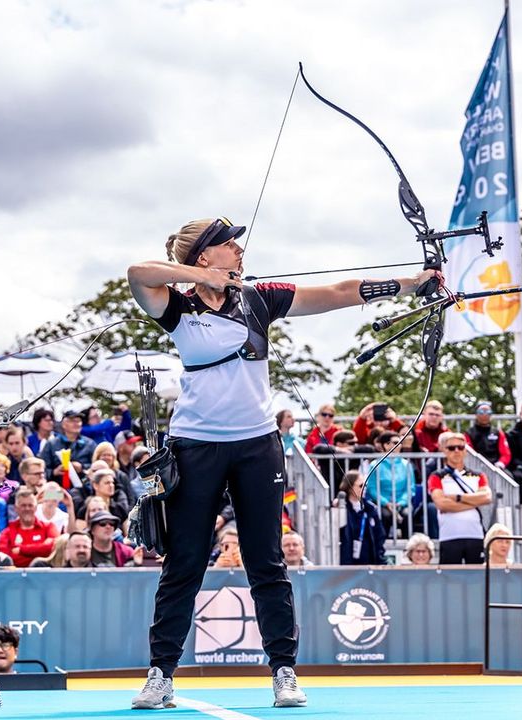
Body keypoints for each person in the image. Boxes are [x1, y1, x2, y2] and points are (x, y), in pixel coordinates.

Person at [126, 216, 438, 709]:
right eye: (228, 245)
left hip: (256, 445)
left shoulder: (258, 298)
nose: (238, 250)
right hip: (195, 445)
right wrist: (200, 279)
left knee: (266, 562)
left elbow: (337, 291)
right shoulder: (176, 305)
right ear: (205, 256)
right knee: (184, 563)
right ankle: (161, 674)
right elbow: (136, 273)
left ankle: (284, 672)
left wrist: (411, 283)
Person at [428, 432, 492, 564]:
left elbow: (486, 497)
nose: (456, 451)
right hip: (449, 535)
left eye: (461, 447)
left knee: (477, 578)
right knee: (450, 579)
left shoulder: (478, 475)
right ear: (444, 451)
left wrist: (457, 497)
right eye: (451, 448)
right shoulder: (436, 476)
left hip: (475, 535)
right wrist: (473, 502)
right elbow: (442, 504)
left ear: (465, 451)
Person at [365, 432, 414, 537]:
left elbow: (410, 488)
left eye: (401, 442)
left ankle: (408, 545)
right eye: (396, 442)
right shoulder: (375, 464)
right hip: (382, 503)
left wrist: (401, 502)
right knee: (384, 515)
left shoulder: (406, 465)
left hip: (402, 503)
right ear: (386, 445)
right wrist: (385, 503)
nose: (400, 445)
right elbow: (372, 488)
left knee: (407, 514)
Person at [1, 487, 58, 567]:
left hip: (43, 575)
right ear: (16, 508)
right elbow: (6, 559)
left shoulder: (49, 527)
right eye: (23, 505)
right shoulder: (7, 532)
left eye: (30, 505)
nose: (27, 509)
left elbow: (51, 549)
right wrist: (40, 550)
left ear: (35, 507)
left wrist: (20, 550)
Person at [338, 471, 386, 565]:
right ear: (350, 487)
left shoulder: (371, 509)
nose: (364, 489)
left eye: (365, 485)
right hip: (347, 562)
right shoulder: (341, 507)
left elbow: (379, 536)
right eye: (360, 486)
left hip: (368, 561)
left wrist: (379, 556)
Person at [40, 410, 96, 488]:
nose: (76, 424)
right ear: (64, 424)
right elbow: (41, 469)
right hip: (57, 489)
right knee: (48, 497)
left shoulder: (90, 444)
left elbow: (97, 466)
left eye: (78, 421)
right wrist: (54, 472)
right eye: (72, 421)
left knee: (86, 498)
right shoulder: (51, 444)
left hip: (83, 489)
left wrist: (82, 468)